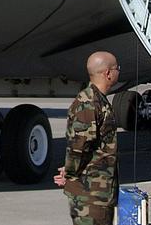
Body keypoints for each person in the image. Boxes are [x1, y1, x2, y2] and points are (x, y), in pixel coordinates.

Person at [54, 51, 120, 225]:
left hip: (99, 192)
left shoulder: (97, 100)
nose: (118, 72)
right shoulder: (89, 102)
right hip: (90, 195)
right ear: (108, 73)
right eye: (117, 69)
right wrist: (69, 173)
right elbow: (79, 145)